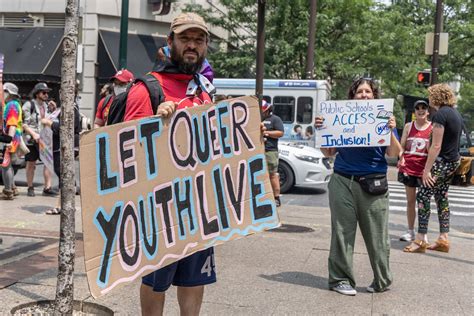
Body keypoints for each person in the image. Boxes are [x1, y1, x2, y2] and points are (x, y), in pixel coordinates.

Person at [124, 12, 216, 316]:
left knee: (194, 280)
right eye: (185, 38)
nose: (192, 45)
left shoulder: (204, 91)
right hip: (158, 208)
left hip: (199, 207)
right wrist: (153, 121)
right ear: (170, 41)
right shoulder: (146, 88)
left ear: (205, 46)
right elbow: (125, 149)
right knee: (155, 282)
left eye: (198, 40)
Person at [314, 78, 402, 295]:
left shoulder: (383, 117)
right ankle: (340, 280)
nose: (364, 95)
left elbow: (394, 154)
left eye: (368, 92)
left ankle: (382, 279)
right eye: (359, 92)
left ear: (374, 96)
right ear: (352, 97)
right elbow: (329, 153)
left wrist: (390, 129)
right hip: (343, 180)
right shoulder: (340, 118)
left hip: (373, 184)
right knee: (342, 232)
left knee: (377, 235)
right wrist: (323, 129)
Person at [404, 84, 462, 253]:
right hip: (453, 162)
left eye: (430, 96)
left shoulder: (441, 115)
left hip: (442, 162)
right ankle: (443, 238)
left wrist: (426, 170)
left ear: (436, 97)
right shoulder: (454, 113)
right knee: (441, 196)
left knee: (422, 195)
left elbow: (436, 146)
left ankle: (421, 239)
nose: (428, 99)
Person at [397, 100, 432, 242]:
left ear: (428, 111)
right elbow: (402, 146)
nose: (420, 110)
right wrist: (401, 157)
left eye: (424, 108)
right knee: (410, 201)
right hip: (409, 169)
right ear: (414, 111)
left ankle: (423, 233)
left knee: (424, 202)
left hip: (424, 171)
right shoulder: (408, 126)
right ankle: (410, 231)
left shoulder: (432, 128)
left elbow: (433, 150)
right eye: (417, 108)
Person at [40, 95, 81, 214]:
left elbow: (67, 128)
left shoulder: (71, 108)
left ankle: (62, 206)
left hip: (65, 146)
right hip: (62, 145)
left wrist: (49, 123)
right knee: (64, 175)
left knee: (63, 174)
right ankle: (64, 204)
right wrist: (55, 112)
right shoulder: (66, 107)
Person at [22, 82, 57, 197]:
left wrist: (54, 110)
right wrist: (33, 134)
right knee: (31, 163)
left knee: (48, 162)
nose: (46, 95)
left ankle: (47, 187)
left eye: (47, 92)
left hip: (44, 139)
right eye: (44, 92)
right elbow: (23, 124)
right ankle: (30, 187)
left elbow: (48, 121)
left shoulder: (46, 106)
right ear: (37, 93)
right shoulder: (29, 105)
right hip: (32, 139)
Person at [1, 83, 22, 200]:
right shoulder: (12, 104)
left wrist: (8, 140)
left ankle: (8, 191)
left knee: (5, 165)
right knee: (7, 165)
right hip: (12, 137)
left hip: (10, 138)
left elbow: (12, 124)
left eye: (3, 91)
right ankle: (12, 187)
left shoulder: (12, 105)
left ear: (9, 93)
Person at [262, 100, 284, 207]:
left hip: (270, 151)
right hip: (258, 151)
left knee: (272, 175)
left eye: (263, 112)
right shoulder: (256, 119)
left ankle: (276, 198)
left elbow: (280, 133)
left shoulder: (275, 119)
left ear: (267, 110)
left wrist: (266, 133)